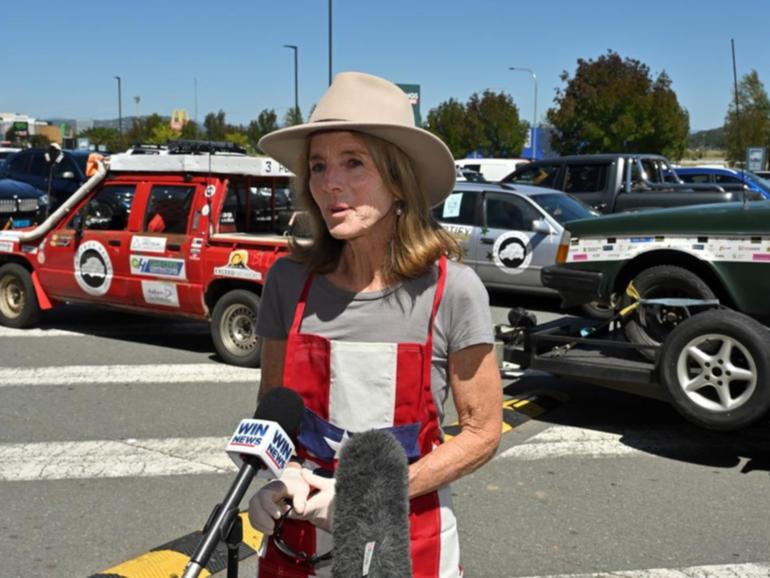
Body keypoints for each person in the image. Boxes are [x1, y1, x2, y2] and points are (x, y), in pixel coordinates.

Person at [248, 71, 503, 578]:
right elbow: (272, 411)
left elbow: (482, 431)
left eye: (353, 163)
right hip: (300, 536)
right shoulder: (286, 281)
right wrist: (283, 473)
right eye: (318, 166)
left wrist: (370, 491)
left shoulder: (452, 290)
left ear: (399, 179)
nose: (329, 183)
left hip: (408, 541)